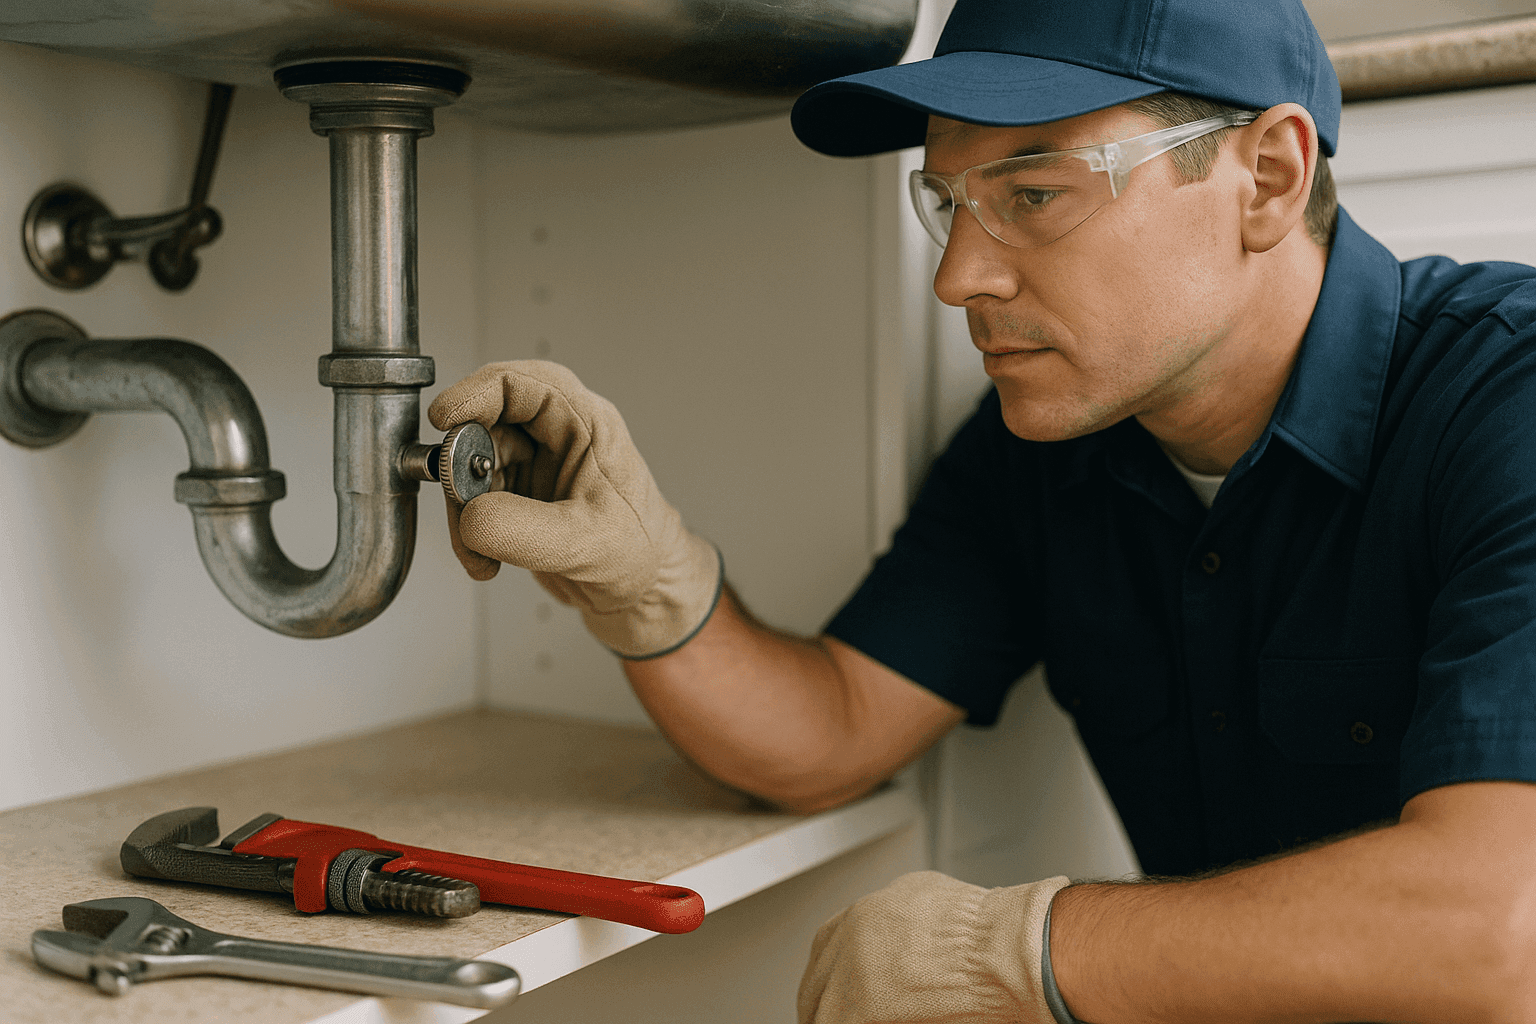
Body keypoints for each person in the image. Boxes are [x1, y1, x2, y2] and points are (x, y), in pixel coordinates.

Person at [428, 0, 1536, 1019]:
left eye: (1034, 194)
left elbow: (1502, 932)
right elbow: (833, 728)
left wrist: (1018, 947)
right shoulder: (1053, 443)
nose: (959, 275)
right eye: (948, 201)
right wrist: (649, 579)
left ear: (1267, 177)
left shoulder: (1507, 403)